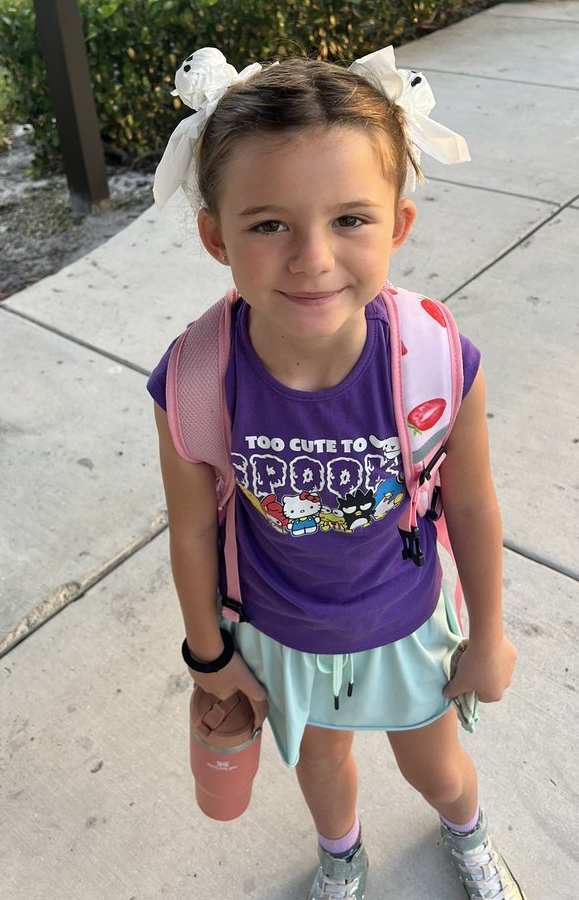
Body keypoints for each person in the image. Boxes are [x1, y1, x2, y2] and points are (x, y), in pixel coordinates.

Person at [148, 46, 522, 900]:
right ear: (216, 236)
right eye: (269, 225)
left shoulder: (437, 363)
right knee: (322, 769)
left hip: (405, 623)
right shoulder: (196, 379)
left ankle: (467, 833)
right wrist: (208, 656)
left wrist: (490, 635)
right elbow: (193, 529)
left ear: (398, 224)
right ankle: (341, 857)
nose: (312, 257)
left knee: (438, 770)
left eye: (350, 218)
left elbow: (470, 503)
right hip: (282, 635)